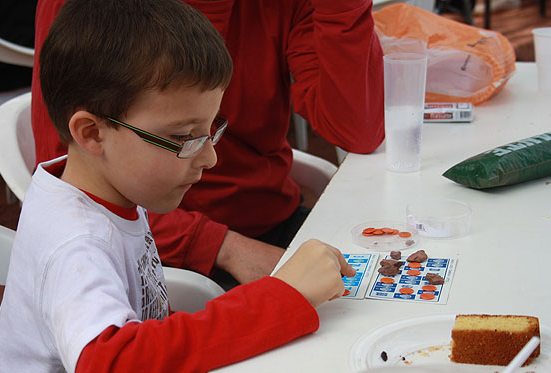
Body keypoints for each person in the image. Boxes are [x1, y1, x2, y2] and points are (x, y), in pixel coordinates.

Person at [0, 0, 356, 373]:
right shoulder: (76, 242)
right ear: (91, 133)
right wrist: (281, 298)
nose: (210, 158)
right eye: (183, 137)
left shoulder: (109, 194)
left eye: (211, 131)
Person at [30, 0, 384, 286]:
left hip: (272, 219)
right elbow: (75, 175)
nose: (211, 159)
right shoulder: (80, 252)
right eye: (181, 137)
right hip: (167, 248)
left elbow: (359, 129)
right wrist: (225, 249)